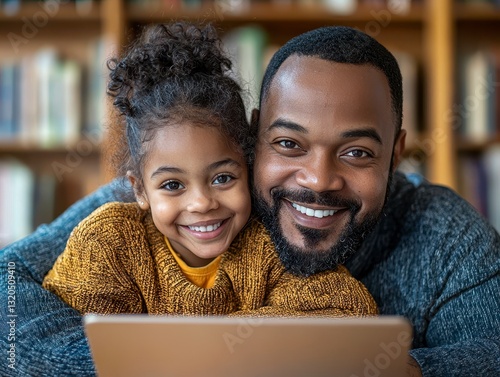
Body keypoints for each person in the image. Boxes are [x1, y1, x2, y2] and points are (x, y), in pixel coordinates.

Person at [1, 24, 499, 377]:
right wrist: (145, 363)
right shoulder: (155, 202)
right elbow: (6, 284)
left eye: (356, 152)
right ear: (254, 136)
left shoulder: (444, 232)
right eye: (288, 143)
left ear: (396, 153)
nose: (319, 180)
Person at [41, 21, 377, 319]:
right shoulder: (110, 242)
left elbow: (348, 312)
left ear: (248, 165)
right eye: (173, 185)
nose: (202, 203)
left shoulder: (268, 245)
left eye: (222, 178)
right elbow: (77, 340)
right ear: (140, 189)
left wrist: (214, 342)